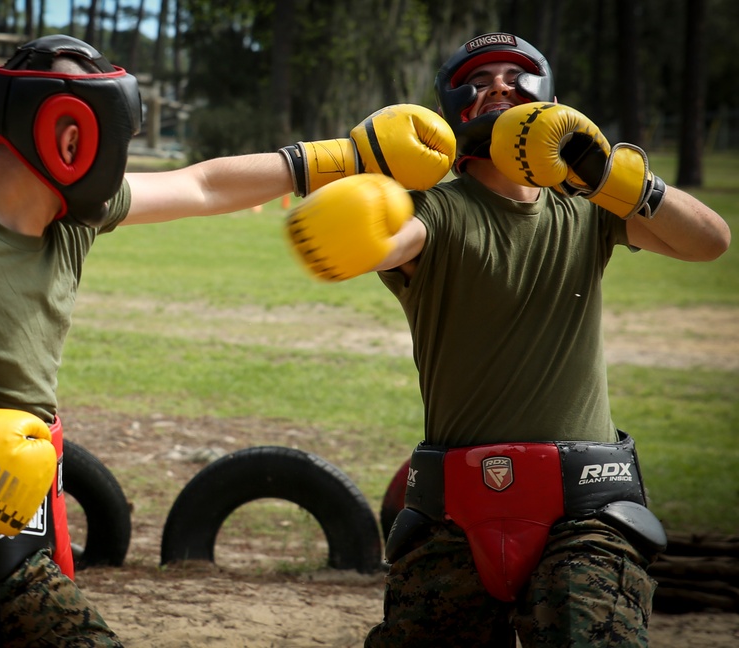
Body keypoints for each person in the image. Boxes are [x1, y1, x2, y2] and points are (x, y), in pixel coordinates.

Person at [0, 34, 451, 647]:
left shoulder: (68, 219)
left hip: (19, 532)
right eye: (112, 130)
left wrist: (345, 155)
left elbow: (202, 184)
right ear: (67, 135)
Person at [284, 32, 730, 647]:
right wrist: (350, 224)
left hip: (587, 507)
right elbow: (391, 243)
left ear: (547, 99)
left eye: (514, 75)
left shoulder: (589, 209)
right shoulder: (435, 210)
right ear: (454, 108)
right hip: (452, 512)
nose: (498, 84)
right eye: (480, 77)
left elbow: (710, 242)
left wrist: (612, 178)